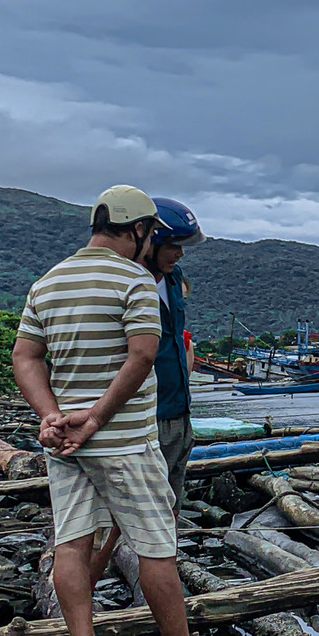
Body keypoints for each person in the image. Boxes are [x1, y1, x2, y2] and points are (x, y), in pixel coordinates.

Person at [11, 185, 244, 636]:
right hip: (125, 441)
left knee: (71, 543)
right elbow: (142, 355)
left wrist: (51, 416)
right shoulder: (134, 279)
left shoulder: (48, 281)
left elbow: (25, 356)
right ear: (139, 229)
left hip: (65, 444)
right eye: (153, 233)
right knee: (157, 547)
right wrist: (96, 418)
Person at [147, 197, 207, 505]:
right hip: (146, 415)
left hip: (179, 411)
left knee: (171, 500)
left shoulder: (173, 279)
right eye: (173, 245)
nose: (179, 253)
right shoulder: (129, 284)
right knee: (141, 504)